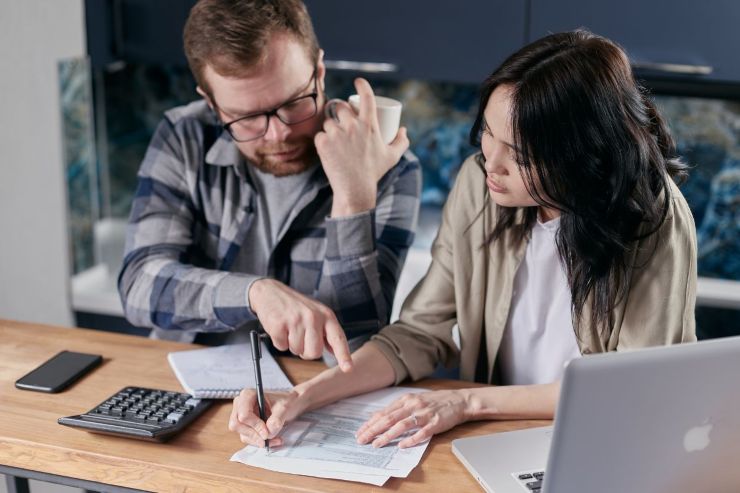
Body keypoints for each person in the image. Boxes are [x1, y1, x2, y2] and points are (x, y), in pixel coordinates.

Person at [228, 30, 698, 449]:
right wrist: (302, 396)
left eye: (519, 154)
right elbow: (417, 333)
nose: (490, 162)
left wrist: (466, 402)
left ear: (581, 156)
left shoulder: (654, 218)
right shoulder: (479, 185)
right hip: (495, 440)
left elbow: (630, 388)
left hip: (602, 443)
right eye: (489, 134)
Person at [117, 0, 421, 370]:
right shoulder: (185, 136)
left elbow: (357, 350)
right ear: (211, 104)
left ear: (319, 72)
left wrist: (352, 199)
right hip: (185, 379)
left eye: (294, 103)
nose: (279, 134)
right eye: (245, 117)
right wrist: (255, 294)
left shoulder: (390, 166)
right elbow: (138, 287)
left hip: (311, 395)